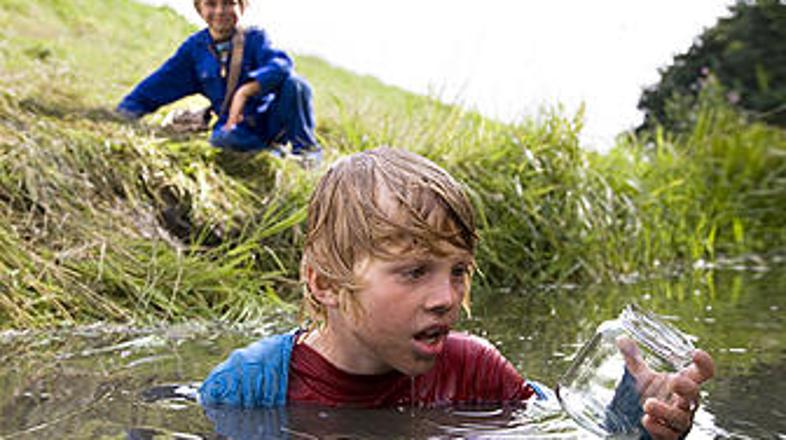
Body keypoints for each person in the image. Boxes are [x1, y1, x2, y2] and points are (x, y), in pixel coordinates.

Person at [199, 147, 715, 439]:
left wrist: (634, 421)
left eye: (459, 270)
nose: (447, 297)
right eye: (414, 271)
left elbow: (559, 427)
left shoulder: (478, 372)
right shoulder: (247, 387)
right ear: (325, 283)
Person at [116, 0, 320, 159]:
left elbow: (282, 65)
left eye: (229, 3)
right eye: (211, 4)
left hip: (269, 119)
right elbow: (161, 83)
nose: (220, 11)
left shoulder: (256, 38)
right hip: (236, 129)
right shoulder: (194, 49)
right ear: (199, 9)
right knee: (223, 139)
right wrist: (124, 112)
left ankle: (307, 153)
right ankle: (268, 152)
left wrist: (245, 91)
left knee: (297, 85)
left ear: (243, 6)